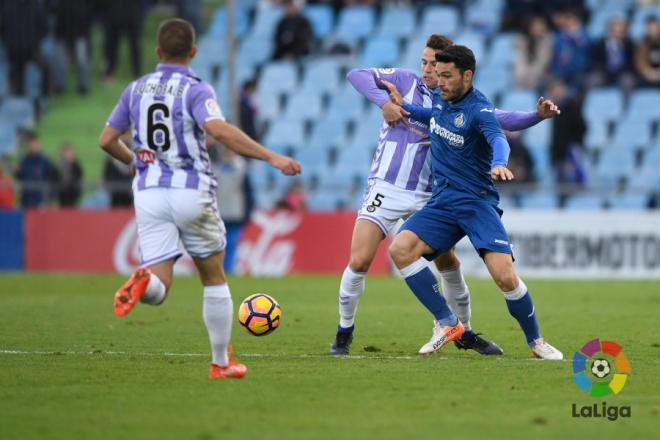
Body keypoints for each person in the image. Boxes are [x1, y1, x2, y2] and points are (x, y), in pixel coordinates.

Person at [330, 34, 560, 356]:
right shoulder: (429, 93)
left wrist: (506, 153)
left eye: (438, 69)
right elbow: (421, 111)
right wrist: (394, 105)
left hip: (467, 199)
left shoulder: (474, 107)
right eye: (427, 65)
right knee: (388, 253)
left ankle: (528, 339)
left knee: (500, 276)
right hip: (426, 196)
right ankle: (441, 322)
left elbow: (500, 130)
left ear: (461, 73)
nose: (432, 74)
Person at [99, 19, 301, 380]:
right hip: (191, 189)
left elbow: (106, 139)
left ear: (158, 52)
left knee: (160, 286)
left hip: (149, 192)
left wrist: (135, 162)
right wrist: (272, 157)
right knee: (213, 277)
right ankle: (221, 364)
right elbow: (218, 131)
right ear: (192, 52)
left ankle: (144, 282)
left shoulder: (136, 89)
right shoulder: (195, 89)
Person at [214, 145, 254, 274]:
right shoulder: (216, 168)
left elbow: (248, 193)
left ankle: (228, 269)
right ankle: (218, 269)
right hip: (219, 212)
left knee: (231, 243)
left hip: (236, 213)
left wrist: (247, 213)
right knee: (217, 244)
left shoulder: (242, 169)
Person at [588, 17, 636, 94]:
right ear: (609, 31)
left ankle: (625, 105)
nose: (617, 34)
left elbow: (632, 62)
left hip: (622, 72)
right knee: (592, 81)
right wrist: (605, 69)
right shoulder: (600, 44)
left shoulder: (630, 44)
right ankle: (594, 104)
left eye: (620, 31)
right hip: (604, 72)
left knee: (628, 81)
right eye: (614, 31)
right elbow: (595, 61)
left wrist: (621, 68)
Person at [15, 132, 57, 208]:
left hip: (41, 203)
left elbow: (54, 181)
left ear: (39, 144)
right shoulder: (23, 161)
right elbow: (20, 179)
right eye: (31, 144)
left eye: (35, 144)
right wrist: (17, 173)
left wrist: (48, 200)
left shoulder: (46, 161)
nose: (33, 146)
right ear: (28, 146)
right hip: (26, 202)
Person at [513, 16, 553, 90]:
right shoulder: (522, 40)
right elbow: (520, 61)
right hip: (524, 77)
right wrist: (522, 76)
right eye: (535, 26)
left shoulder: (548, 41)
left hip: (542, 77)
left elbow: (542, 63)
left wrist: (531, 77)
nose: (537, 29)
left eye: (540, 26)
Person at [55, 142, 84, 207]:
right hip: (63, 194)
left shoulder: (76, 164)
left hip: (73, 193)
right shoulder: (60, 164)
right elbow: (57, 177)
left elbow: (79, 175)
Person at [635, 16, 660, 87]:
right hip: (647, 75)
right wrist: (647, 72)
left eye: (654, 27)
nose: (653, 30)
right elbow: (639, 60)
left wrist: (658, 72)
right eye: (650, 28)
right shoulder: (642, 43)